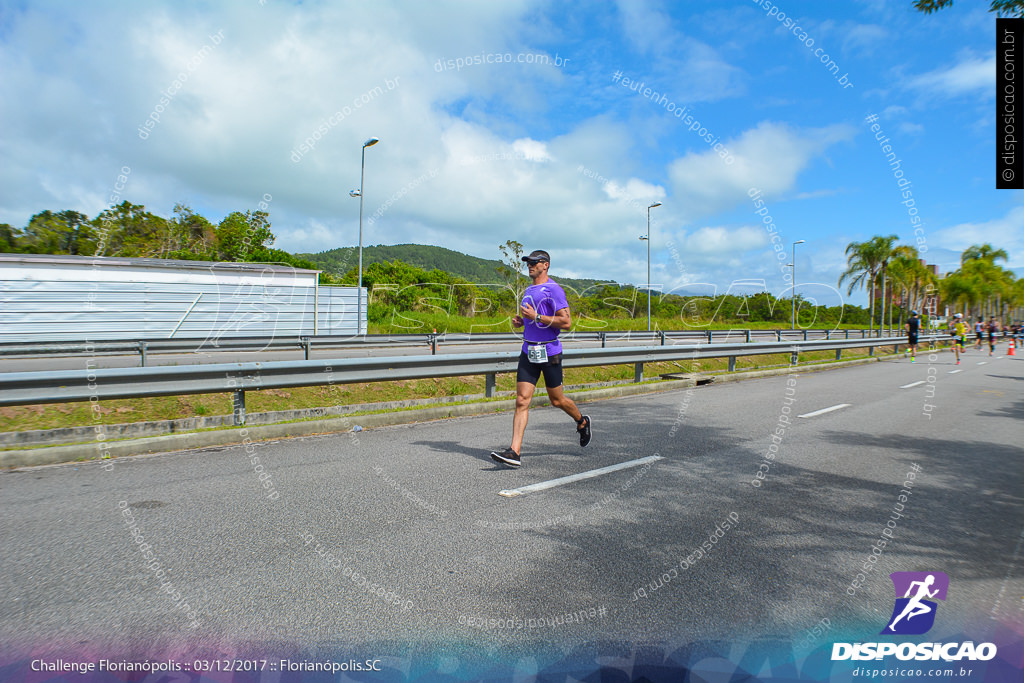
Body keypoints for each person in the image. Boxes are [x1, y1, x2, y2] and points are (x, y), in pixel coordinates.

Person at [490, 250, 591, 468]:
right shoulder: (528, 290)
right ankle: (514, 452)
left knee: (557, 400)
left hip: (550, 352)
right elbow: (532, 320)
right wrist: (522, 322)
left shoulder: (554, 290)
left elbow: (566, 322)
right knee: (521, 400)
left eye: (534, 262)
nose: (530, 266)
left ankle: (582, 422)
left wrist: (536, 317)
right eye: (528, 262)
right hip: (528, 350)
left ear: (545, 265)